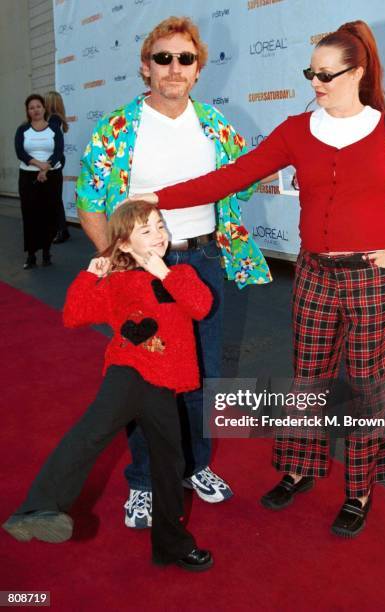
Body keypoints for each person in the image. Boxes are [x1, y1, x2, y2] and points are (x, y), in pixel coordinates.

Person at [134, 20, 385, 537]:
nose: (314, 83)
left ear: (357, 72)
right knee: (307, 380)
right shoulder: (297, 129)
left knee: (365, 387)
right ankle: (299, 469)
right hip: (315, 274)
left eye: (326, 74)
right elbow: (231, 176)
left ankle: (359, 489)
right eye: (309, 72)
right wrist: (157, 198)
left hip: (373, 276)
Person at [76, 16, 271, 529]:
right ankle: (143, 481)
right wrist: (119, 263)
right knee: (146, 375)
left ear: (198, 68)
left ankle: (195, 467)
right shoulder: (118, 128)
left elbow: (243, 182)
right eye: (163, 58)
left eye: (185, 59)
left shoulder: (216, 126)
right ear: (146, 67)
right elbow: (90, 201)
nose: (174, 68)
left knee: (202, 373)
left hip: (203, 262)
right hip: (141, 272)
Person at [2, 199, 214, 571]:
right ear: (125, 244)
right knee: (93, 432)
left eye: (160, 226)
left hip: (164, 383)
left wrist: (165, 273)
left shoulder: (178, 275)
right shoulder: (118, 281)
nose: (158, 235)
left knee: (170, 463)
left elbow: (200, 306)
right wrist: (89, 274)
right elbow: (74, 316)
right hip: (129, 371)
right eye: (145, 231)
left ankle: (171, 545)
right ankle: (38, 508)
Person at [15, 94, 64, 268]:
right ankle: (31, 255)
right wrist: (39, 165)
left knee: (48, 214)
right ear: (28, 112)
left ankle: (46, 253)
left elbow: (59, 151)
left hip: (52, 176)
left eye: (38, 106)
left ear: (44, 108)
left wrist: (46, 168)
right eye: (31, 107)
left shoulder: (53, 129)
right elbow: (20, 152)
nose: (35, 110)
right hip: (28, 177)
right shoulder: (22, 130)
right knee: (30, 215)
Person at [45, 91, 71, 244]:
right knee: (54, 198)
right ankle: (60, 229)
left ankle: (61, 230)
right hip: (56, 162)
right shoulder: (57, 119)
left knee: (54, 199)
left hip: (52, 163)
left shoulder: (54, 120)